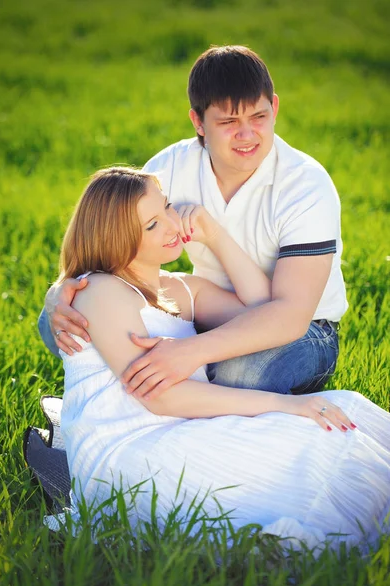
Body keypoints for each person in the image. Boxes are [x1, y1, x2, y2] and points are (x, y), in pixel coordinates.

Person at [51, 166, 390, 553]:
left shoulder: (180, 289)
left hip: (178, 429)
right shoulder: (102, 289)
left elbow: (264, 309)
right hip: (128, 452)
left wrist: (214, 235)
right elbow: (160, 396)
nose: (170, 225)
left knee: (343, 409)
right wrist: (286, 403)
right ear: (116, 237)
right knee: (319, 441)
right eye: (151, 225)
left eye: (166, 209)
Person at [38, 45, 348, 401]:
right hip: (206, 308)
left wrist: (191, 351)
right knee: (59, 322)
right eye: (229, 122)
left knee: (236, 373)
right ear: (198, 122)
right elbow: (108, 233)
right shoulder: (172, 166)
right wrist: (61, 293)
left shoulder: (306, 185)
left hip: (303, 330)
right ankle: (114, 412)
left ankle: (185, 407)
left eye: (258, 117)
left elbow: (290, 316)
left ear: (275, 108)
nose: (247, 135)